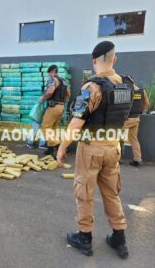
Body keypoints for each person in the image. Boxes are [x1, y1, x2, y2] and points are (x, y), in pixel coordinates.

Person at [57, 41, 134, 259]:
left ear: (94, 61)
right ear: (114, 59)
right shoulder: (126, 85)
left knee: (85, 193)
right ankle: (119, 238)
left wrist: (62, 148)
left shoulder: (92, 87)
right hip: (113, 148)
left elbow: (75, 123)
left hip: (91, 149)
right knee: (112, 193)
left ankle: (84, 238)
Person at [40, 65, 71, 157]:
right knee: (53, 128)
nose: (49, 74)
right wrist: (61, 102)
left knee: (45, 127)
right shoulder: (64, 81)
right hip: (61, 107)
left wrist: (43, 99)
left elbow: (50, 92)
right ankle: (50, 149)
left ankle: (59, 146)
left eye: (49, 72)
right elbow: (68, 94)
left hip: (53, 107)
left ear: (53, 71)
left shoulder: (53, 80)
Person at [124, 84, 149, 166]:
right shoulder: (142, 91)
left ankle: (116, 159)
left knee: (116, 136)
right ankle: (138, 160)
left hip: (126, 119)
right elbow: (146, 104)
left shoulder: (126, 90)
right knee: (134, 139)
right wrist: (142, 111)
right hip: (136, 118)